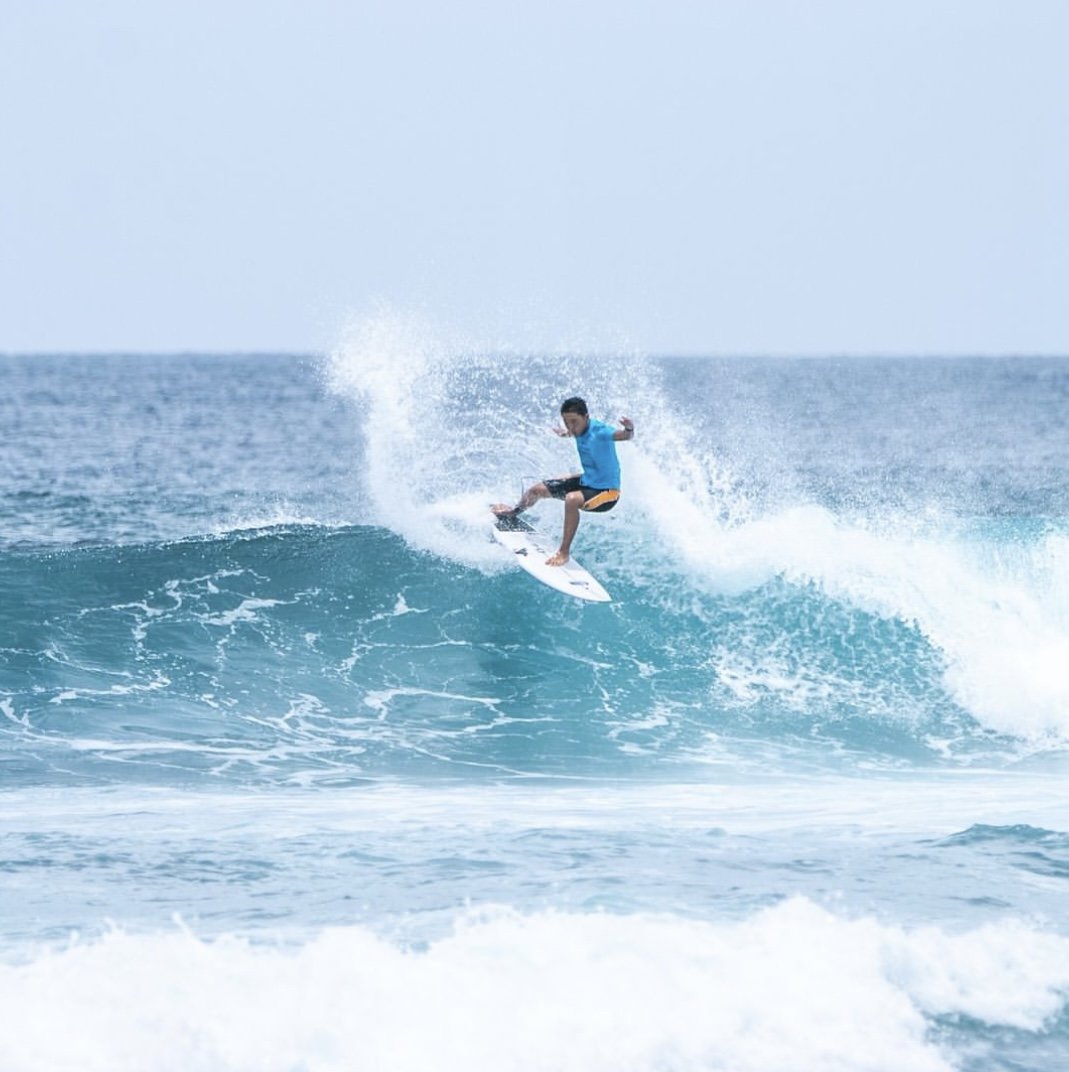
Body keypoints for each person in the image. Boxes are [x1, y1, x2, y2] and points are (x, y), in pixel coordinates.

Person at [492, 396, 634, 566]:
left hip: (607, 492)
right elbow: (572, 432)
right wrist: (564, 433)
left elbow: (625, 436)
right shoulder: (577, 430)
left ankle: (563, 552)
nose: (571, 427)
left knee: (571, 499)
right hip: (586, 481)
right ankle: (513, 512)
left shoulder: (601, 432)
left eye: (574, 422)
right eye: (567, 423)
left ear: (586, 417)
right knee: (536, 490)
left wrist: (629, 428)